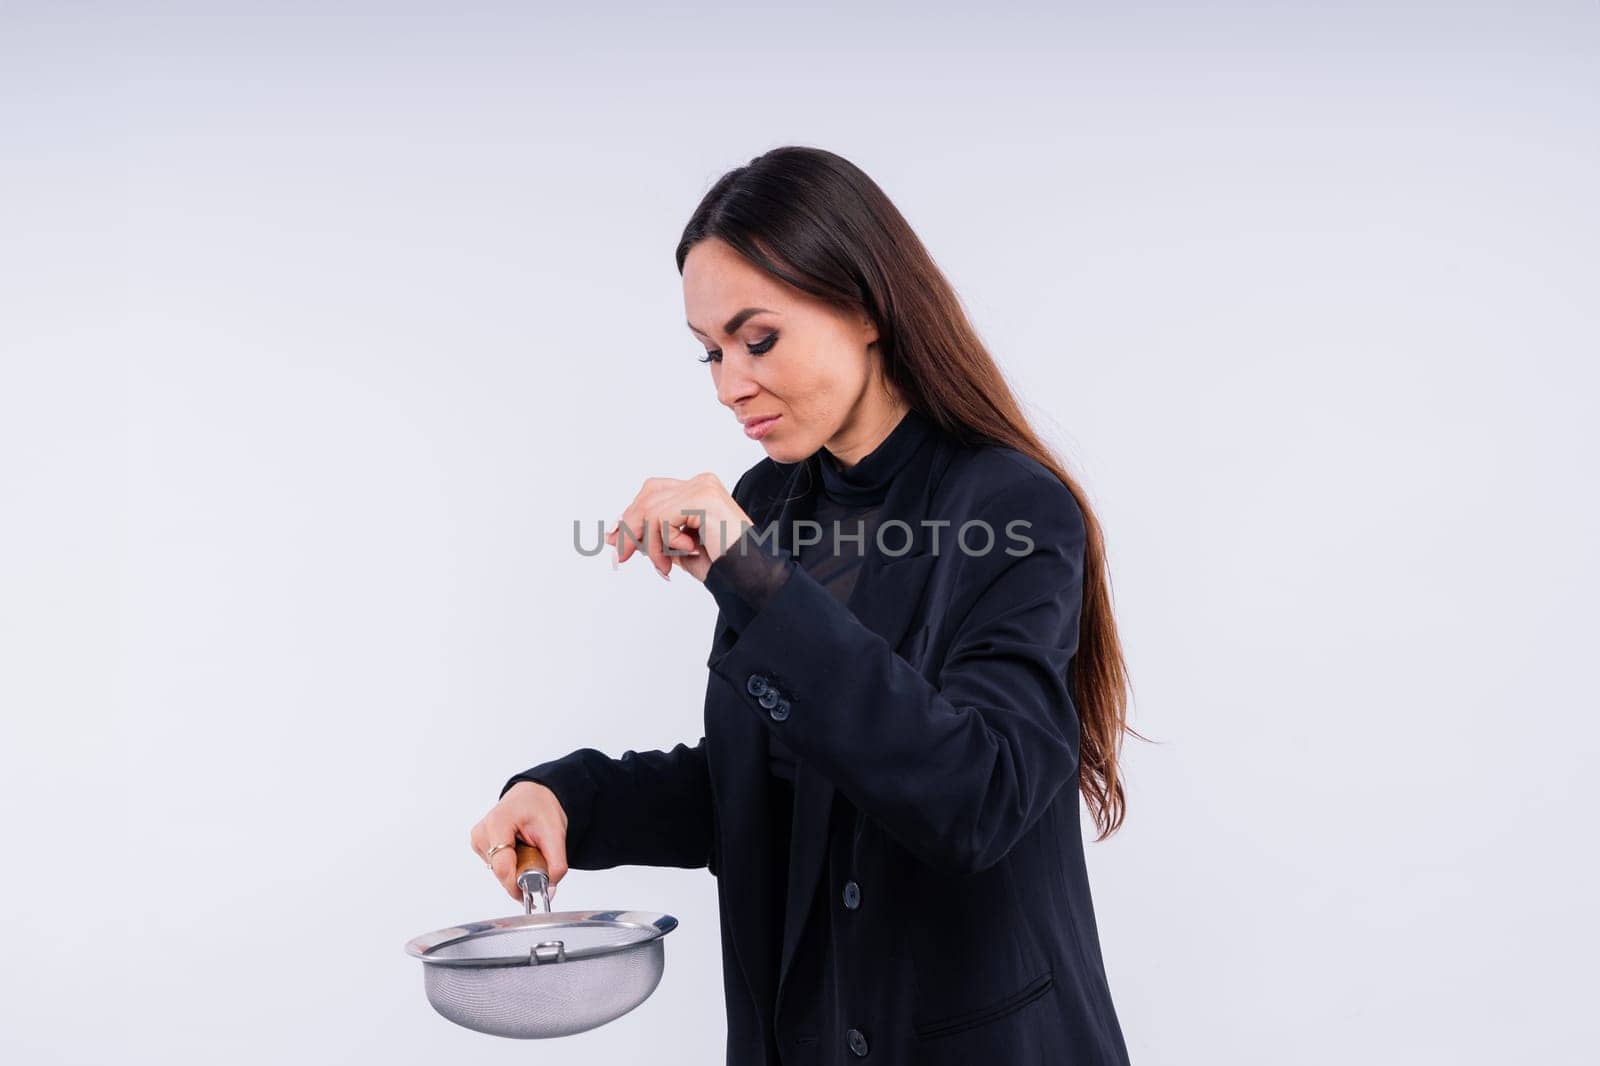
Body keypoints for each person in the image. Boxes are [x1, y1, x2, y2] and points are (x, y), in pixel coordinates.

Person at [468, 145, 1138, 1065]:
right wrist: (572, 800)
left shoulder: (1012, 508)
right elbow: (772, 786)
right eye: (710, 353)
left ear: (864, 307)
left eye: (758, 339)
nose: (728, 385)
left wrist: (754, 577)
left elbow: (976, 799)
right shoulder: (774, 502)